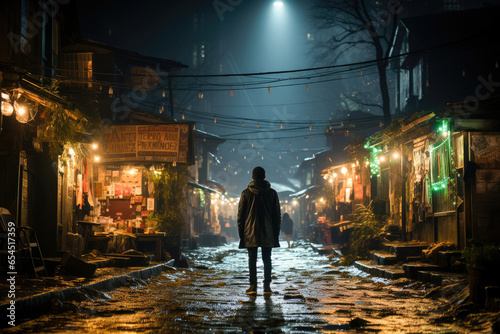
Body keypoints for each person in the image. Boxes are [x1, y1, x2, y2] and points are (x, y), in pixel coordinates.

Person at [238, 166, 281, 295]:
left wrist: (242, 235)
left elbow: (240, 216)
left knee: (252, 259)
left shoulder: (245, 193)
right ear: (264, 176)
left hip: (250, 232)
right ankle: (267, 287)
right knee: (267, 259)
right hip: (268, 231)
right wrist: (275, 234)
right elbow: (276, 216)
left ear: (252, 177)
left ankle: (253, 287)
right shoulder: (272, 193)